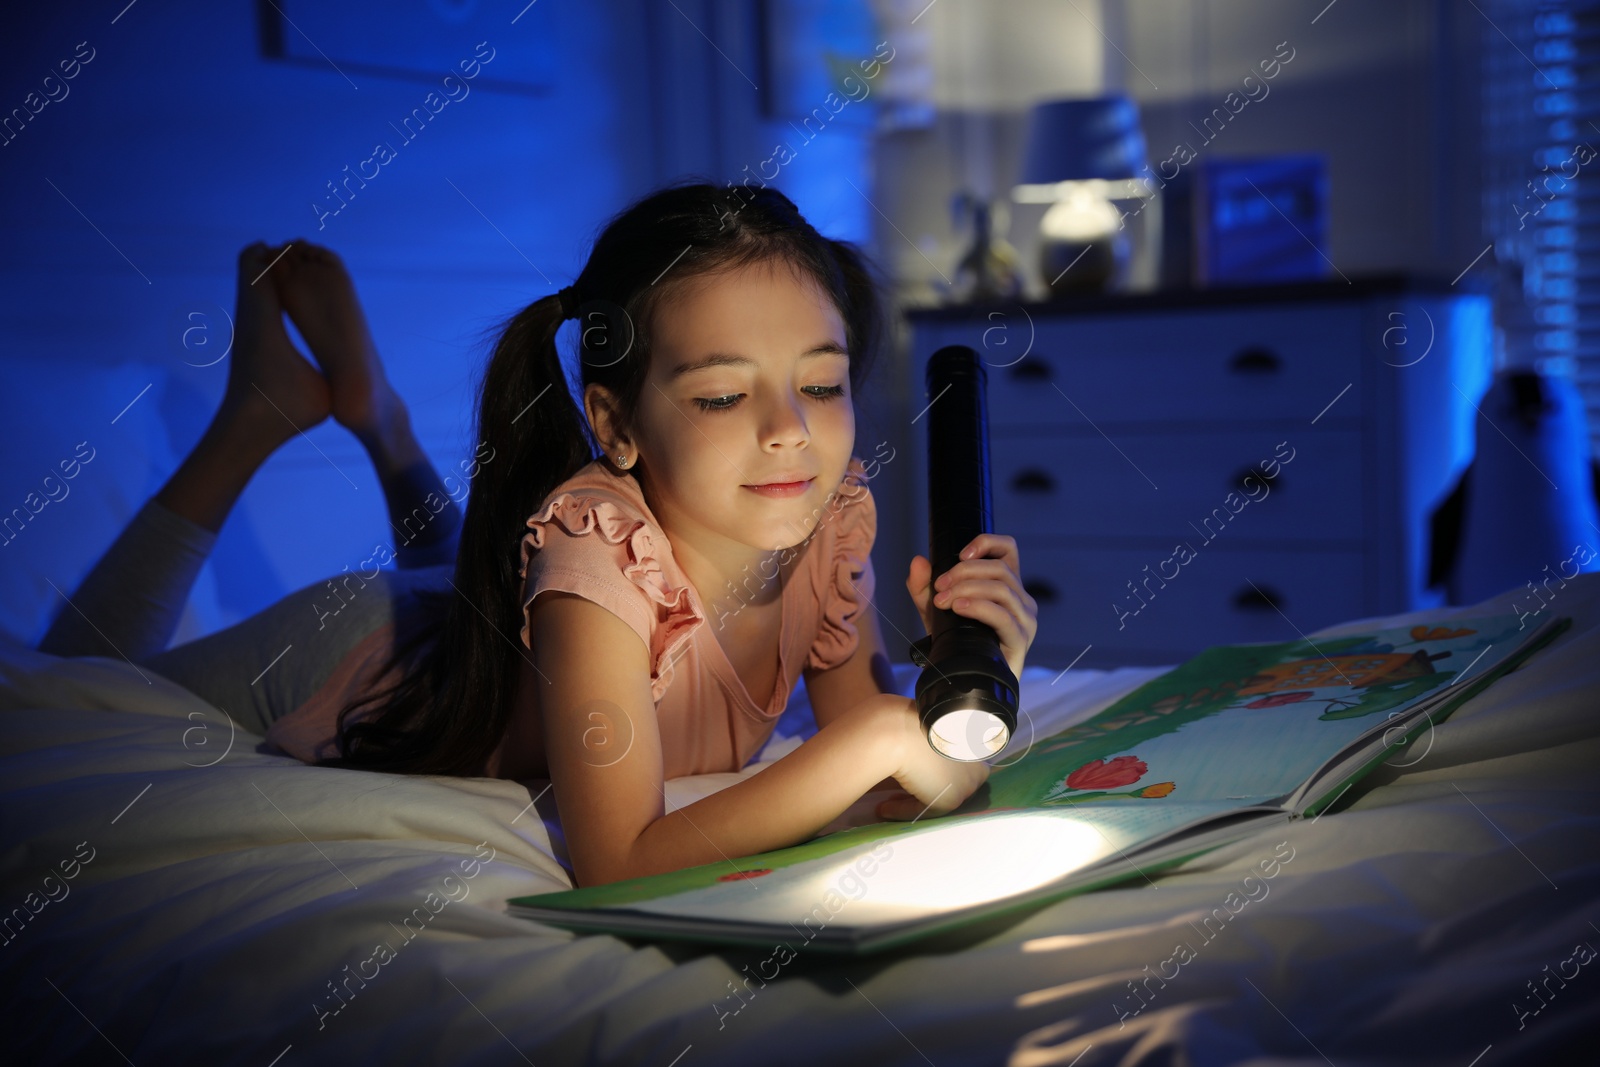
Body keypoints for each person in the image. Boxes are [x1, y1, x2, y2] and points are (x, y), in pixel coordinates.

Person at [47, 182, 1041, 888]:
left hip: (491, 625)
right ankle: (253, 416)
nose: (789, 427)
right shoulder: (589, 551)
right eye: (725, 393)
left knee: (473, 577)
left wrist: (961, 671)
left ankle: (383, 428)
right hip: (361, 648)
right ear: (612, 424)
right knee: (64, 697)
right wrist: (879, 734)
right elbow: (616, 858)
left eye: (821, 384)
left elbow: (876, 766)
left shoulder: (829, 516)